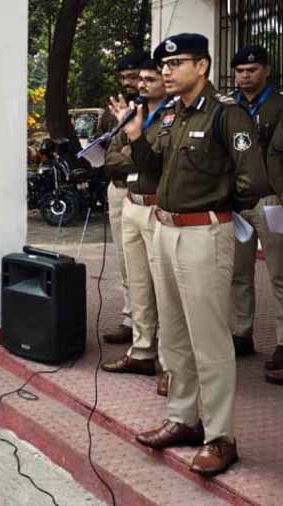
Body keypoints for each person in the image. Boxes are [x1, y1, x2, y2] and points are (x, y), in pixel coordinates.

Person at [119, 33, 268, 476]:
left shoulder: (226, 114)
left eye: (176, 63)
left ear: (201, 66)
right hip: (165, 230)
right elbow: (153, 170)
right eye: (163, 65)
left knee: (210, 339)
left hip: (204, 233)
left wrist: (218, 208)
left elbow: (253, 180)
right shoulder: (172, 115)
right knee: (174, 334)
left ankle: (221, 437)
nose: (166, 71)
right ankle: (183, 418)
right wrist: (136, 138)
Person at [101, 59, 170, 396]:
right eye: (140, 79)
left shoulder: (173, 116)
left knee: (165, 288)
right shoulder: (132, 112)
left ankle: (171, 365)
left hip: (158, 207)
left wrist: (134, 146)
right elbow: (111, 158)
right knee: (139, 283)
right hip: (132, 203)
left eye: (150, 79)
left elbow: (159, 160)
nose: (142, 84)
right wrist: (134, 147)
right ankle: (142, 352)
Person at [228, 45, 283, 366]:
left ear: (266, 71)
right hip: (236, 202)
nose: (245, 76)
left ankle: (282, 342)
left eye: (251, 70)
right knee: (238, 273)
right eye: (240, 71)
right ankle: (241, 333)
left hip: (271, 200)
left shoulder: (279, 104)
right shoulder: (227, 106)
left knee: (280, 273)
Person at [101, 51, 149, 345]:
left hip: (145, 189)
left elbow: (145, 156)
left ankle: (148, 326)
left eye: (133, 77)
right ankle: (130, 318)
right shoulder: (113, 109)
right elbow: (107, 152)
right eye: (124, 78)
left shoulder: (152, 107)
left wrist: (126, 156)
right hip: (117, 187)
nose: (129, 82)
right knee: (124, 260)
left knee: (147, 264)